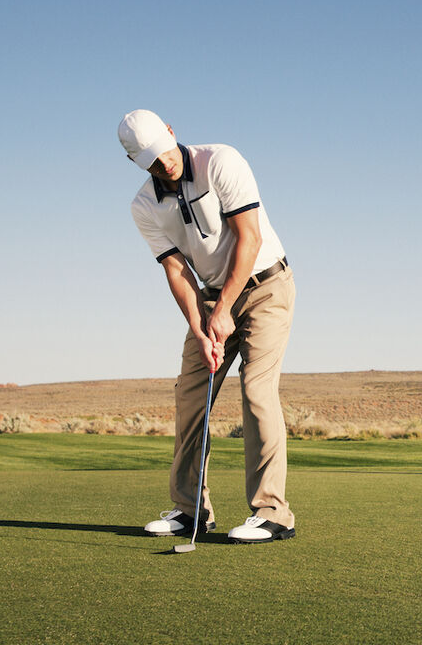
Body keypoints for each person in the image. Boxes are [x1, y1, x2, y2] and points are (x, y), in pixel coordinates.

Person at [118, 109, 297, 541]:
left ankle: (273, 513)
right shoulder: (143, 206)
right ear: (135, 163)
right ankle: (191, 510)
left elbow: (249, 238)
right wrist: (202, 327)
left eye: (164, 152)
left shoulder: (221, 161)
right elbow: (177, 272)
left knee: (256, 389)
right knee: (190, 397)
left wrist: (222, 311)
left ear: (172, 133)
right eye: (151, 162)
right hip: (213, 299)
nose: (164, 165)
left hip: (267, 286)